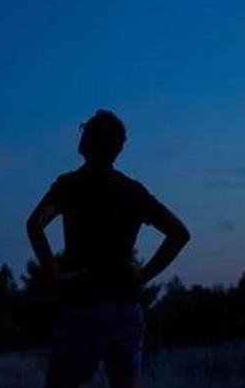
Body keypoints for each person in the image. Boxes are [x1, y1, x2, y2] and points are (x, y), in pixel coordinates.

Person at [26, 109, 190, 388]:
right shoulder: (132, 190)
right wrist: (143, 275)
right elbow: (179, 234)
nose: (81, 133)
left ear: (91, 141)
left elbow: (34, 224)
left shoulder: (70, 185)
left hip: (84, 302)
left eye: (85, 129)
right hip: (126, 305)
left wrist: (53, 275)